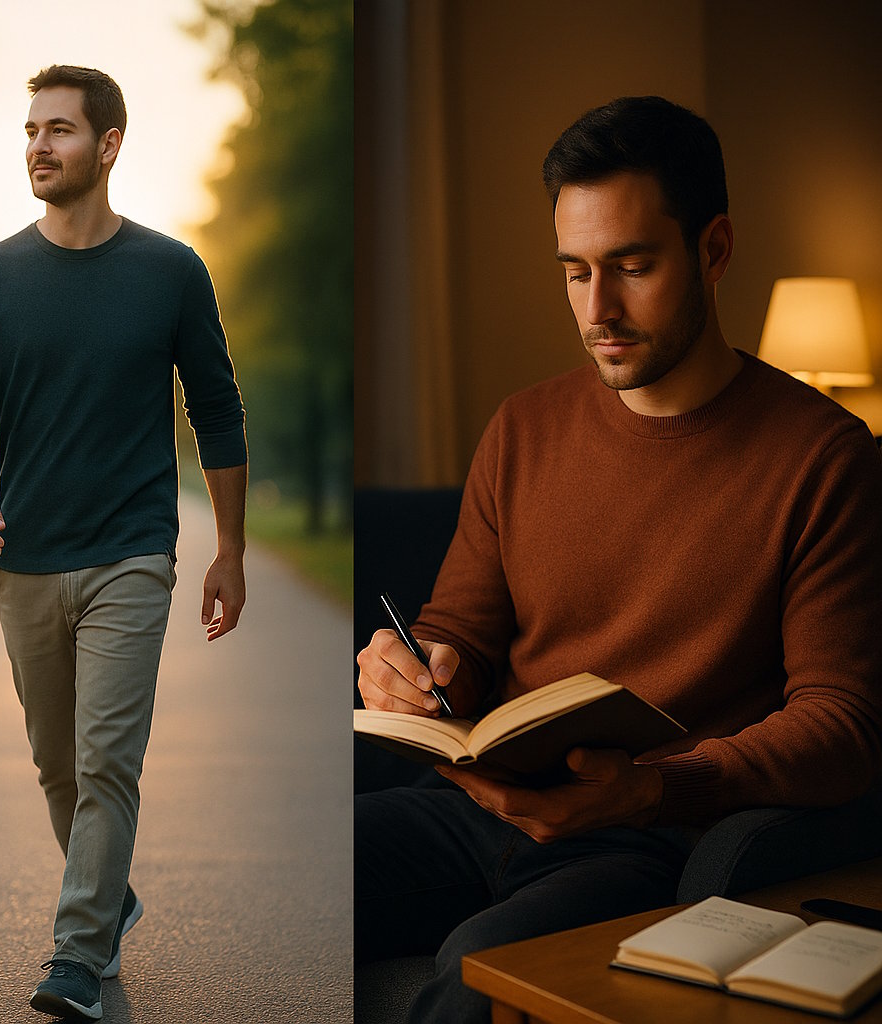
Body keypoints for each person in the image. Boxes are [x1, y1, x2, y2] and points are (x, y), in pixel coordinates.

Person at [355, 95, 882, 1023]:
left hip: (640, 839)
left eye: (633, 267)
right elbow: (458, 631)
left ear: (714, 250)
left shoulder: (825, 460)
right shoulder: (523, 428)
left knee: (474, 975)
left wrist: (657, 787)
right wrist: (417, 670)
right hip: (471, 808)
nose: (597, 309)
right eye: (574, 272)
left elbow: (845, 723)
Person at [0, 65, 248, 1021]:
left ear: (108, 145)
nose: (37, 146)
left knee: (108, 762)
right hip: (26, 557)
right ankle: (109, 901)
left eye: (59, 130)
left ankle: (75, 956)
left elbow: (219, 413)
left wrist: (227, 551)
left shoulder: (172, 271)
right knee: (57, 767)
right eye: (30, 130)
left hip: (133, 553)